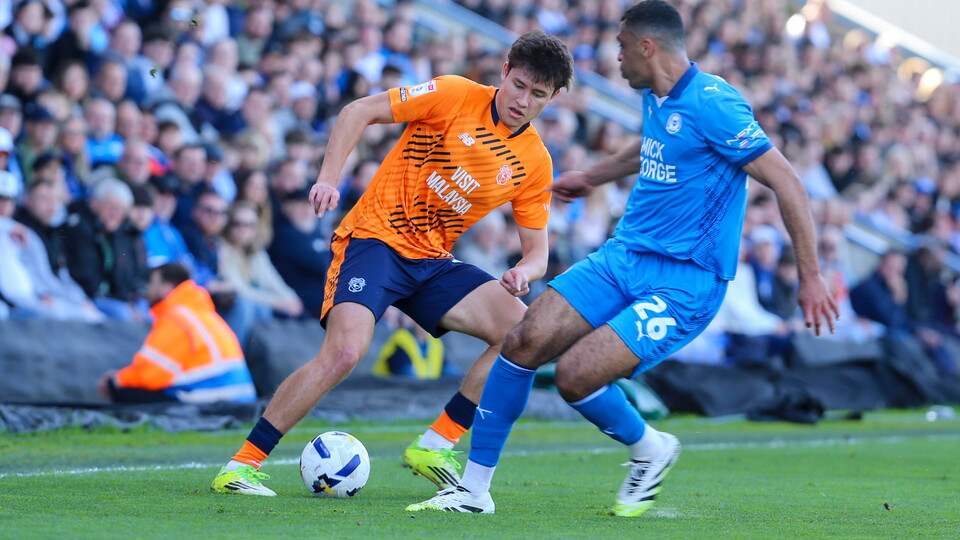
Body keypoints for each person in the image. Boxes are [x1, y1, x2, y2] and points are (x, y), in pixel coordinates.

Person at [406, 0, 838, 516]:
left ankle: (650, 448)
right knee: (523, 341)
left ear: (646, 47)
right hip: (624, 256)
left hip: (686, 282)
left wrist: (809, 277)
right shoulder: (658, 96)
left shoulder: (715, 105)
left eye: (620, 46)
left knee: (576, 374)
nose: (615, 57)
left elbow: (787, 181)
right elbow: (652, 144)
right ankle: (474, 491)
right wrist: (593, 176)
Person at [211, 30, 574, 496]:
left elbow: (537, 252)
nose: (523, 100)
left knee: (525, 336)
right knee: (344, 353)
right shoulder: (454, 94)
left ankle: (436, 442)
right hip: (375, 240)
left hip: (432, 260)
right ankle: (241, 465)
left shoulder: (535, 162)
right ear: (504, 72)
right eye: (519, 85)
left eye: (538, 94)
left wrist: (524, 271)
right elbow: (357, 111)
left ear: (554, 98)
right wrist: (328, 178)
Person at [97, 263, 257, 404]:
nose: (148, 289)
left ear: (166, 287)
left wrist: (116, 380)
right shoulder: (199, 311)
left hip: (213, 400)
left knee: (121, 389)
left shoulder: (175, 317)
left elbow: (151, 374)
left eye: (152, 283)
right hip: (237, 397)